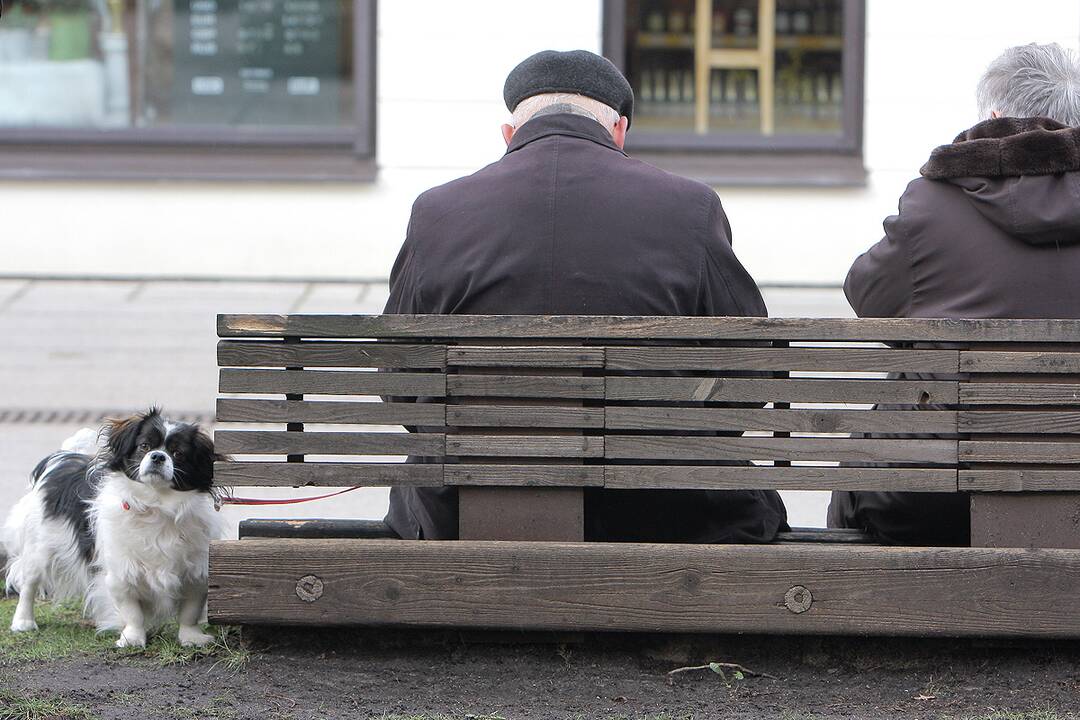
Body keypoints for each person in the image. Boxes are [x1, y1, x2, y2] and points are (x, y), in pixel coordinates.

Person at [382, 49, 788, 543]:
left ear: (509, 134)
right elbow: (751, 374)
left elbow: (400, 383)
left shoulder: (437, 212)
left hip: (464, 515)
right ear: (618, 131)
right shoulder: (690, 207)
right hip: (664, 516)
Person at [828, 43, 1080, 545]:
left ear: (992, 117)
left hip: (933, 492)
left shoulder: (934, 201)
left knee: (869, 456)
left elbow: (867, 296)